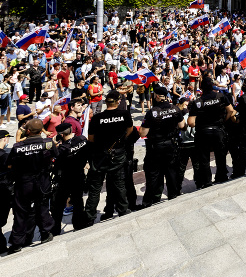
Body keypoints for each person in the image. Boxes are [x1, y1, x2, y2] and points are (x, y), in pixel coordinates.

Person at [79, 90, 133, 228]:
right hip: (118, 154)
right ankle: (123, 210)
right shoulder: (124, 114)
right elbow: (130, 131)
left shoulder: (97, 118)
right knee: (119, 184)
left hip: (100, 156)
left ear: (105, 102)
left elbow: (90, 139)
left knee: (95, 188)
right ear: (118, 102)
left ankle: (89, 217)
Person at [6, 119, 57, 253]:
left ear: (28, 131)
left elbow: (9, 165)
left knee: (21, 212)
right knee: (43, 207)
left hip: (24, 182)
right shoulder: (48, 143)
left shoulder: (18, 147)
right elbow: (55, 156)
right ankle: (45, 233)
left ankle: (17, 243)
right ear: (41, 131)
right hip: (43, 180)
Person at [139, 83, 183, 205]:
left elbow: (143, 132)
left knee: (153, 175)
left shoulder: (152, 112)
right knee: (171, 172)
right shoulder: (175, 108)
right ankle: (173, 196)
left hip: (156, 147)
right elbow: (182, 125)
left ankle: (149, 201)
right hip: (171, 145)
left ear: (157, 96)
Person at [187, 77, 235, 187]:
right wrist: (223, 120)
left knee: (204, 158)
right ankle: (222, 176)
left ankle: (207, 181)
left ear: (201, 87)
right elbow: (231, 111)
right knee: (220, 155)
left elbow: (191, 123)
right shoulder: (221, 97)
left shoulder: (198, 102)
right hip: (218, 130)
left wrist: (201, 122)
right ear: (212, 86)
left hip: (203, 132)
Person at [50, 123, 90, 235]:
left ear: (61, 135)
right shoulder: (82, 139)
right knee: (78, 200)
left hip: (65, 178)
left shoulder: (62, 149)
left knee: (58, 205)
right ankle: (79, 224)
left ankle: (55, 229)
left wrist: (54, 145)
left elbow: (55, 163)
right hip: (79, 174)